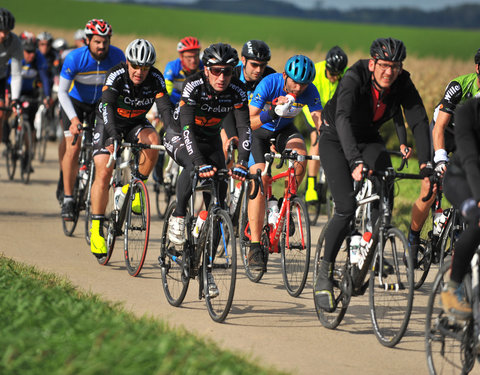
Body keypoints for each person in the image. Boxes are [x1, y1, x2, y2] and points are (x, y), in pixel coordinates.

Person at [313, 37, 431, 312]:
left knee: (386, 182)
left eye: (396, 66)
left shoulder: (402, 82)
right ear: (373, 62)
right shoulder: (356, 76)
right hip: (334, 136)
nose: (389, 72)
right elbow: (342, 117)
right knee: (345, 207)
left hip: (368, 138)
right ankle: (323, 274)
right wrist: (353, 160)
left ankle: (368, 251)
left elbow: (419, 120)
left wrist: (426, 166)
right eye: (385, 65)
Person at [89, 39, 174, 258]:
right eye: (135, 66)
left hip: (135, 122)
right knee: (104, 169)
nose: (139, 72)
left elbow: (165, 108)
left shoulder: (155, 78)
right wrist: (113, 134)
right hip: (109, 122)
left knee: (153, 138)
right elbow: (107, 104)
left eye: (144, 67)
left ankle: (134, 186)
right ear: (127, 62)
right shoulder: (116, 75)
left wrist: (174, 134)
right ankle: (97, 228)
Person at [164, 42, 251, 248]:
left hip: (210, 139)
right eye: (216, 71)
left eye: (227, 72)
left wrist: (243, 162)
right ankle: (178, 216)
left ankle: (206, 254)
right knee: (192, 166)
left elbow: (244, 127)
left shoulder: (238, 90)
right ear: (206, 70)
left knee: (219, 193)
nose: (222, 78)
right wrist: (198, 161)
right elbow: (187, 129)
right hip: (180, 134)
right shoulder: (193, 84)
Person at [246, 54, 323, 269]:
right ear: (284, 76)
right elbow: (249, 122)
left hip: (284, 131)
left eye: (304, 84)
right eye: (294, 82)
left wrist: (326, 134)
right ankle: (254, 246)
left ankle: (286, 204)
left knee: (300, 156)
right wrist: (271, 111)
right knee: (260, 180)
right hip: (259, 132)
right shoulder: (269, 84)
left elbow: (318, 118)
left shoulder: (309, 90)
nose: (298, 88)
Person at [407, 49, 480, 258]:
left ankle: (457, 229)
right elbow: (438, 128)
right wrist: (440, 158)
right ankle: (413, 237)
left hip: (467, 136)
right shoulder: (459, 86)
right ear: (477, 68)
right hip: (444, 131)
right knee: (430, 186)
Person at [58, 19, 125, 221]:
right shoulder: (75, 58)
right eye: (97, 41)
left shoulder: (117, 56)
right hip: (75, 104)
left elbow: (121, 90)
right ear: (87, 40)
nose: (101, 46)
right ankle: (68, 198)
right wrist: (73, 119)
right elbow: (62, 91)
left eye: (105, 41)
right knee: (74, 146)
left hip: (100, 105)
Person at [440, 97, 480, 320]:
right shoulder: (468, 111)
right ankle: (452, 288)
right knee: (478, 219)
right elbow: (471, 159)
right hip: (461, 179)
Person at [302, 46, 348, 202]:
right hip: (313, 110)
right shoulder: (315, 71)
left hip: (332, 113)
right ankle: (310, 187)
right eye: (332, 74)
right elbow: (307, 101)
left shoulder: (345, 74)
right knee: (316, 140)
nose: (335, 78)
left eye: (338, 75)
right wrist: (318, 125)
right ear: (327, 68)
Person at [220, 39, 275, 162]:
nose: (258, 70)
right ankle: (224, 179)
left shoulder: (270, 76)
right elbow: (225, 110)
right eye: (254, 64)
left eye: (263, 65)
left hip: (254, 125)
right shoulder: (231, 74)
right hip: (229, 117)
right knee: (226, 144)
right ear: (243, 60)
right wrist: (232, 136)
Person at [0, 8, 22, 144]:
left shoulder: (14, 42)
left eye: (6, 31)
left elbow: (16, 74)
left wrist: (15, 99)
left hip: (1, 77)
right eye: (0, 31)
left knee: (1, 112)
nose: (3, 35)